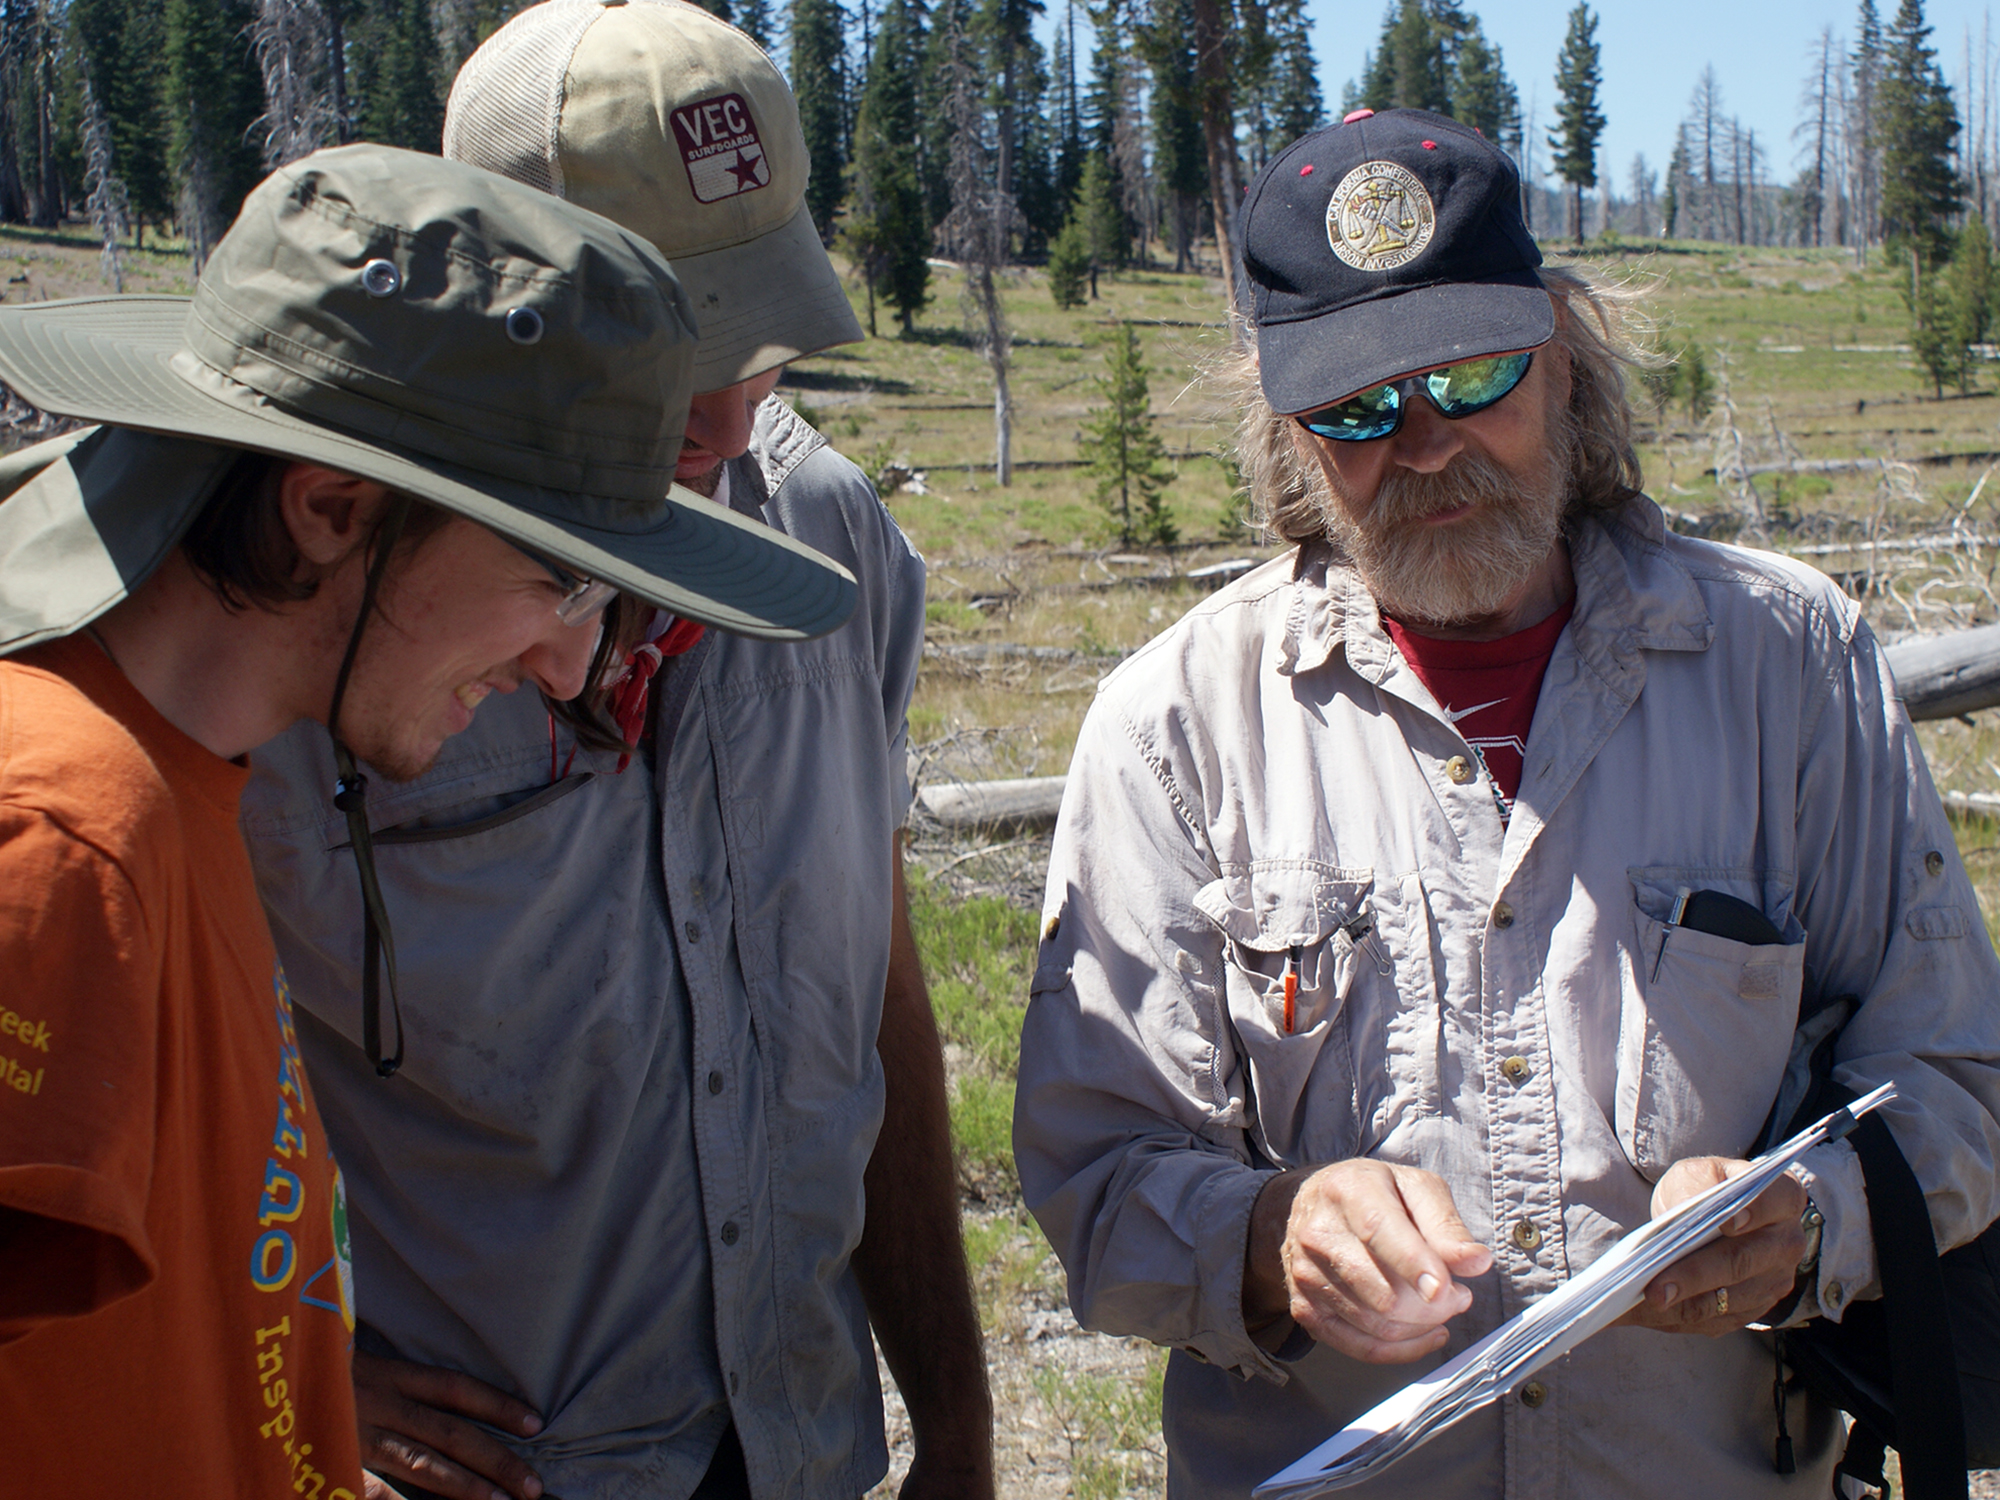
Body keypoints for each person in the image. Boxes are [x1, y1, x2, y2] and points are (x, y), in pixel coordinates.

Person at [1012, 107, 2000, 1498]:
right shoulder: (1176, 726)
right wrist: (1264, 1235)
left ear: (1566, 356)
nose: (1423, 445)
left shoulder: (1793, 667)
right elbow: (1091, 1176)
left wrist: (1811, 1221)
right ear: (1289, 438)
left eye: (1471, 375)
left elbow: (1960, 1075)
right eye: (1355, 410)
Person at [0, 142, 850, 1494]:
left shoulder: (175, 785)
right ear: (333, 509)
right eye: (557, 584)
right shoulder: (63, 833)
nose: (569, 670)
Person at [240, 4, 991, 1499]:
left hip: (803, 1454)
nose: (722, 416)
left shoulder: (834, 545)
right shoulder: (323, 608)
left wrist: (957, 1428)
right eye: (667, 347)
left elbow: (874, 984)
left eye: (758, 339)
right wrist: (288, 1354)